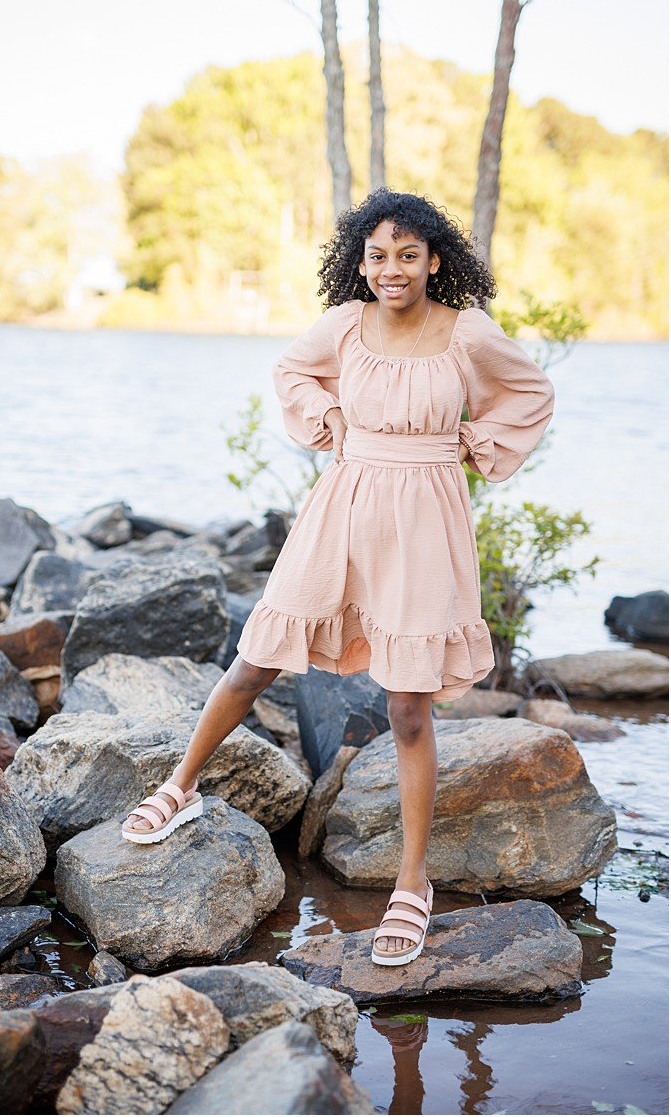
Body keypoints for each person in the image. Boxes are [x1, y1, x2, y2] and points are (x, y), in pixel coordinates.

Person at [118, 190, 556, 969]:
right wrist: (330, 421)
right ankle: (180, 783)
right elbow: (292, 370)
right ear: (360, 260)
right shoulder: (345, 326)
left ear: (434, 261)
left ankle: (411, 885)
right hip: (344, 503)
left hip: (426, 519)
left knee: (409, 706)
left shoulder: (467, 332)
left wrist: (472, 441)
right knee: (258, 655)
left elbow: (530, 393)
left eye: (409, 255)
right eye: (379, 255)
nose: (393, 269)